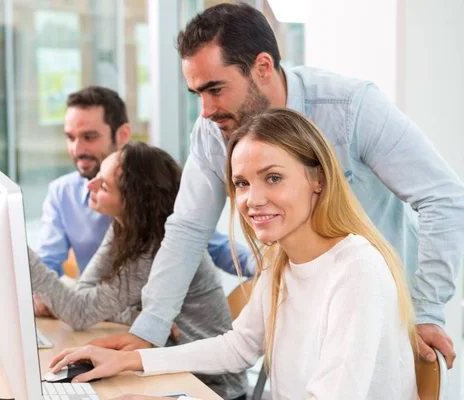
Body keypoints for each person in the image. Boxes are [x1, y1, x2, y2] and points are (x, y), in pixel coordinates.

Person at [93, 3, 464, 368]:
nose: (205, 110)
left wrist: (427, 310)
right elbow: (188, 229)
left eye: (216, 89)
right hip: (303, 316)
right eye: (197, 94)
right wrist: (149, 332)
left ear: (263, 67)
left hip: (387, 315)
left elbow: (443, 198)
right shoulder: (212, 130)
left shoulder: (349, 107)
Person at [48, 109, 419, 400]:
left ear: (317, 179)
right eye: (242, 183)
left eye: (273, 177)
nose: (252, 200)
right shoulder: (281, 262)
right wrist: (128, 360)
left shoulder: (356, 270)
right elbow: (239, 346)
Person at [29, 142, 247, 400]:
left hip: (207, 387)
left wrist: (24, 257)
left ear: (133, 204)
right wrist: (132, 313)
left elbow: (79, 312)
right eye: (98, 175)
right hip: (168, 367)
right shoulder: (124, 228)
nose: (90, 185)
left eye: (104, 185)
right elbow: (86, 291)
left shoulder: (154, 251)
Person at [36, 86, 254, 277]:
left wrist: (264, 269)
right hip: (102, 320)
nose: (77, 149)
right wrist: (39, 296)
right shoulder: (61, 193)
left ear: (122, 135)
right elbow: (47, 263)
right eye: (70, 137)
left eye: (89, 137)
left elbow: (214, 246)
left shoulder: (155, 185)